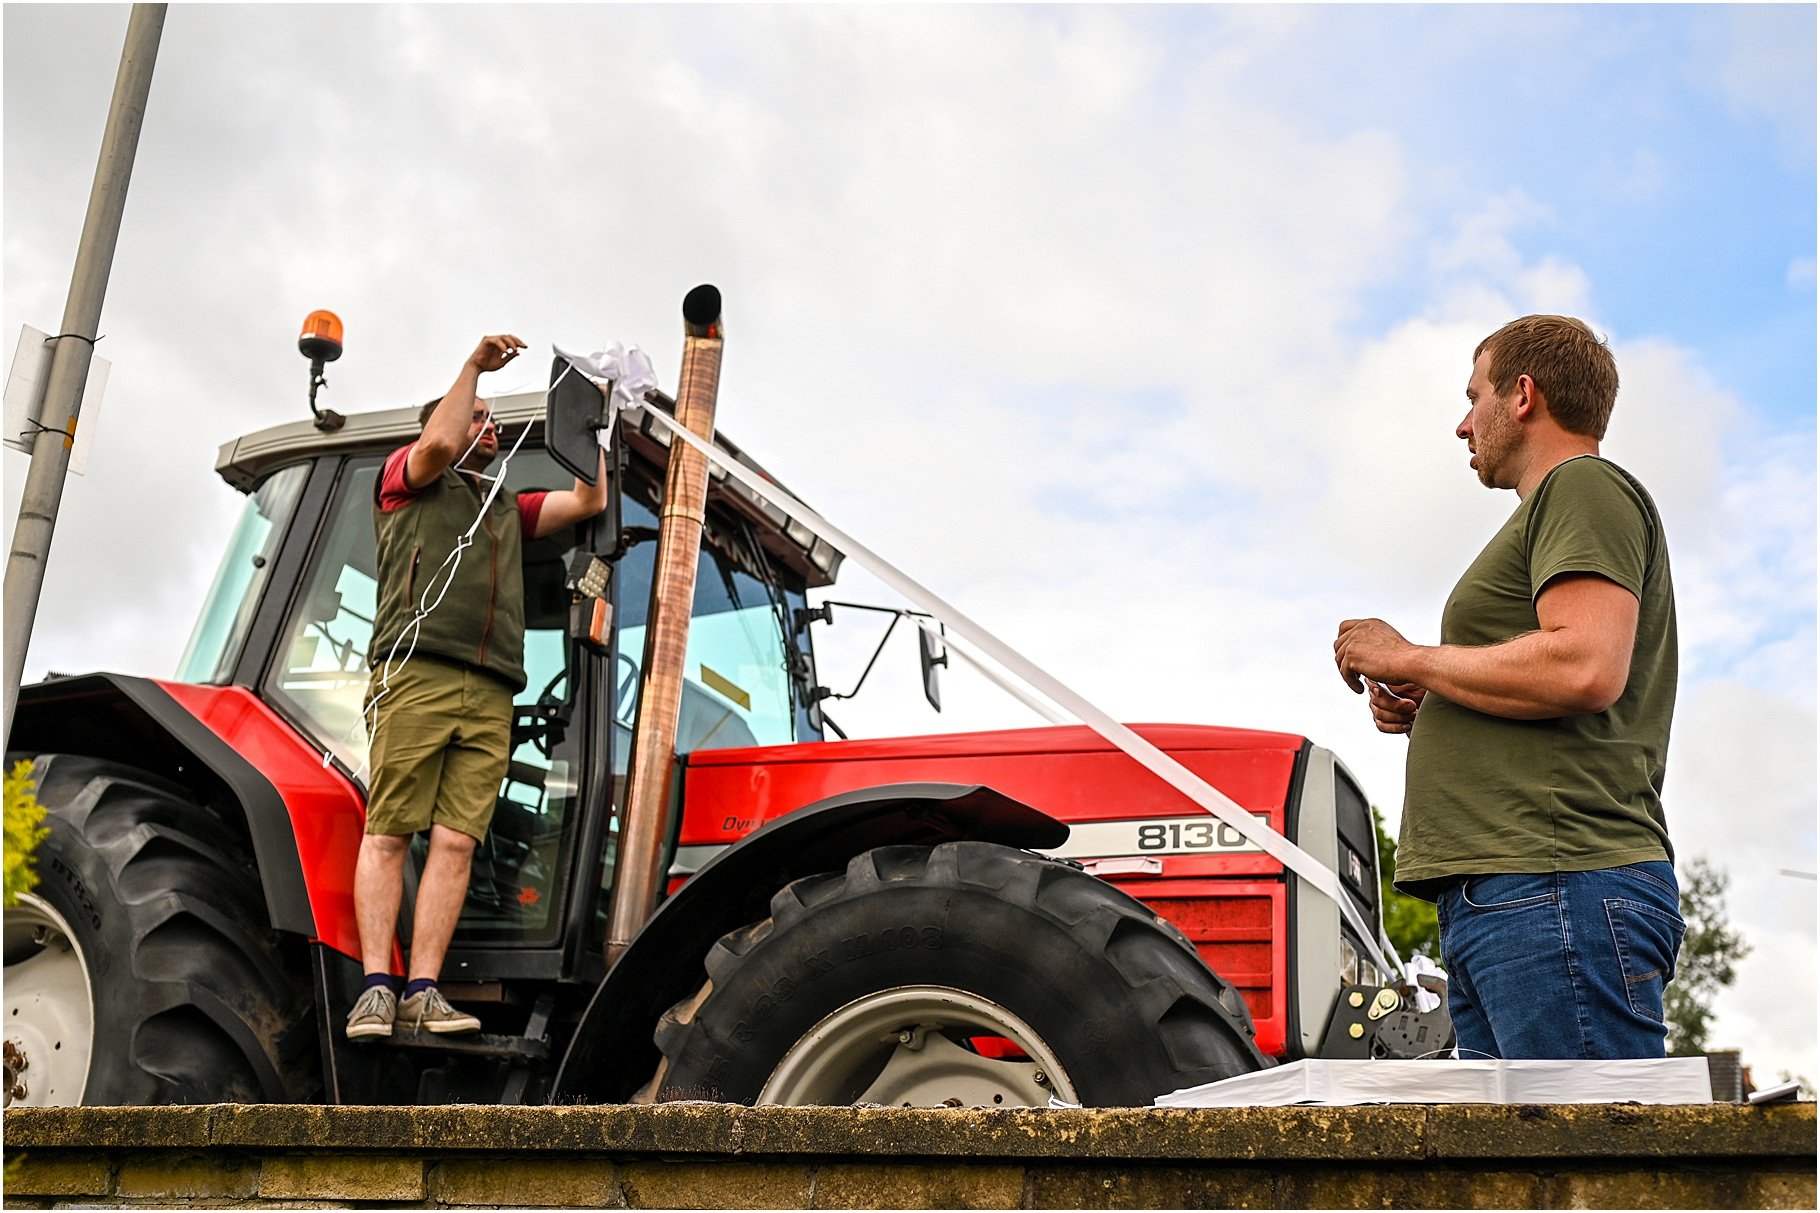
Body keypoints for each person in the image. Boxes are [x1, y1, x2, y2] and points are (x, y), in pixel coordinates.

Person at [1332, 315, 1682, 1061]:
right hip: (1522, 898)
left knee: (1584, 1167)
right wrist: (1440, 699)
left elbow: (1584, 664)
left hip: (1554, 889)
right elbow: (1554, 664)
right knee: (1529, 1176)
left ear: (1523, 395)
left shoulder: (1583, 485)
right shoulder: (1559, 505)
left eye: (1474, 397)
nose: (1463, 425)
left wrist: (1415, 656)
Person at [346, 334, 609, 1038]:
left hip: (491, 692)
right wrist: (470, 368)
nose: (489, 428)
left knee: (458, 843)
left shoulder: (506, 510)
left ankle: (423, 988)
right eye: (478, 418)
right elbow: (434, 445)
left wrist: (594, 417)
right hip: (417, 676)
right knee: (391, 829)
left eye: (492, 419)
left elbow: (590, 499)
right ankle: (376, 984)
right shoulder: (404, 479)